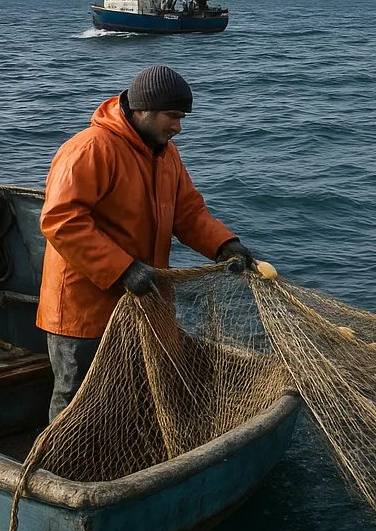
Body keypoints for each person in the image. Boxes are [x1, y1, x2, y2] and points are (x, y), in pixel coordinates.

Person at [37, 64, 255, 421]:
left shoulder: (167, 154)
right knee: (78, 399)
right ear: (142, 110)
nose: (178, 127)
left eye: (182, 117)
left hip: (143, 300)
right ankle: (66, 456)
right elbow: (61, 221)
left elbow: (188, 213)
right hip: (85, 307)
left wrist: (224, 244)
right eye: (173, 116)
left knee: (134, 390)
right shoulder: (91, 148)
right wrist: (123, 269)